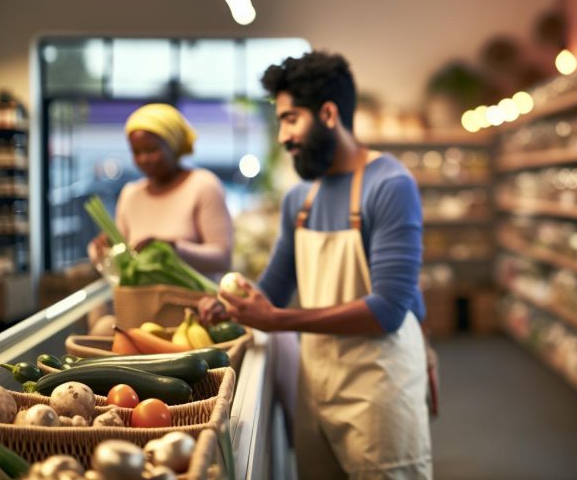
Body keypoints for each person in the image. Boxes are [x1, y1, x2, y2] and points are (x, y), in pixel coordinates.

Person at [201, 51, 432, 479]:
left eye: (291, 119)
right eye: (280, 123)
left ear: (328, 113)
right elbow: (273, 286)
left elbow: (388, 309)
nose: (282, 136)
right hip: (318, 384)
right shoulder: (300, 200)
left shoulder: (389, 184)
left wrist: (278, 319)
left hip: (379, 391)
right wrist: (228, 303)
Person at [88, 103, 233, 277]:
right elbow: (124, 257)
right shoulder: (130, 194)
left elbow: (223, 259)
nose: (144, 158)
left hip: (196, 302)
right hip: (140, 302)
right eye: (136, 151)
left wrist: (172, 249)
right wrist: (101, 250)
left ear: (173, 145)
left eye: (152, 149)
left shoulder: (203, 186)